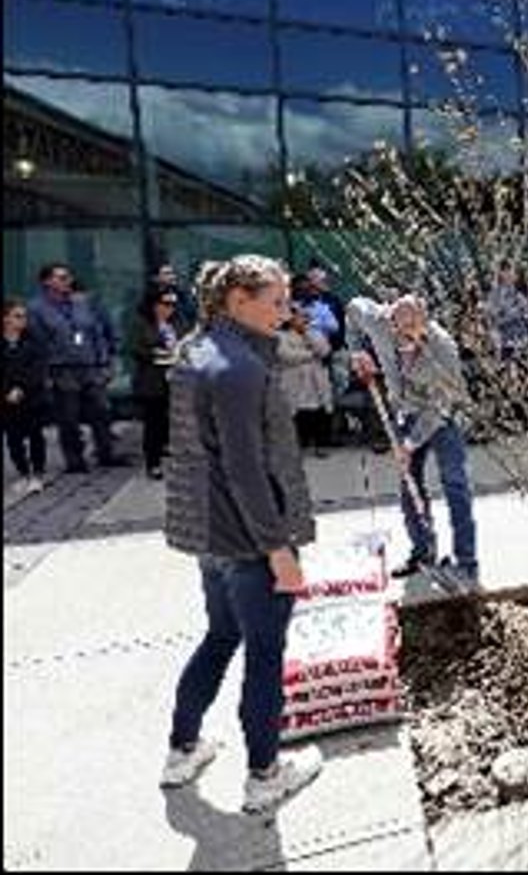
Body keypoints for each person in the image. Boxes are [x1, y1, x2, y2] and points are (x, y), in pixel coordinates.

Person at [161, 254, 323, 814]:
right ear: (237, 300)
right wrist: (277, 549)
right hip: (248, 540)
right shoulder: (238, 367)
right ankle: (265, 774)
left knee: (220, 636)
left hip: (211, 535)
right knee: (263, 653)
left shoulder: (198, 352)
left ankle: (182, 749)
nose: (286, 311)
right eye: (275, 300)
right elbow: (245, 468)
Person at [348, 293, 478, 589]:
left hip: (443, 416)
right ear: (390, 320)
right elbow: (353, 308)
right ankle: (423, 551)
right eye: (398, 332)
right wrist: (357, 351)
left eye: (412, 334)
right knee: (409, 485)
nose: (404, 340)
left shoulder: (443, 348)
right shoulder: (378, 320)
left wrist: (409, 444)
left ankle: (466, 566)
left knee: (455, 485)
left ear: (424, 323)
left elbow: (441, 405)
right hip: (405, 411)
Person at [26, 263, 128, 473]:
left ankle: (106, 452)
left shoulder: (81, 303)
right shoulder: (36, 308)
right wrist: (45, 372)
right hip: (62, 368)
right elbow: (37, 343)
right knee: (69, 416)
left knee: (101, 411)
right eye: (61, 277)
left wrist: (104, 361)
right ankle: (75, 460)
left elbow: (96, 332)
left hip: (89, 365)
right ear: (47, 281)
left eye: (68, 277)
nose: (66, 281)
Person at [127, 285, 181, 479]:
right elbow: (137, 349)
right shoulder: (142, 324)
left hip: (176, 379)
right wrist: (160, 353)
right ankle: (153, 462)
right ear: (153, 305)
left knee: (174, 421)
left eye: (173, 304)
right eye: (165, 303)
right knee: (153, 423)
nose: (169, 308)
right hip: (153, 381)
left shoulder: (178, 324)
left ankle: (173, 455)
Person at [3, 298, 49, 493]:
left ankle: (38, 474)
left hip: (31, 396)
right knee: (13, 439)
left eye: (24, 316)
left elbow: (38, 368)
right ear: (5, 319)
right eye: (18, 316)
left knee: (35, 435)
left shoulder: (34, 340)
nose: (23, 320)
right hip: (6, 400)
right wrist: (7, 391)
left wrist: (21, 388)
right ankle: (23, 473)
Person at [276, 305, 334, 458]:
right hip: (294, 379)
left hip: (316, 380)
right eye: (300, 317)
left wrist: (307, 334)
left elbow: (325, 350)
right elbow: (286, 356)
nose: (304, 319)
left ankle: (320, 445)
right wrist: (311, 355)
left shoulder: (315, 333)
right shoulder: (280, 335)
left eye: (305, 317)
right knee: (297, 414)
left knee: (319, 413)